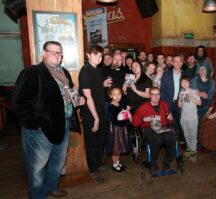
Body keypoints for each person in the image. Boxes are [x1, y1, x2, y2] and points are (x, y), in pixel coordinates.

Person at [12, 41, 85, 199]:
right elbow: (18, 101)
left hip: (63, 123)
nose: (57, 55)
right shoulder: (33, 72)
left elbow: (70, 93)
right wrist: (33, 124)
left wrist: (79, 99)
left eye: (59, 53)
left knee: (58, 161)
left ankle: (51, 186)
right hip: (40, 129)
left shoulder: (63, 72)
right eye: (53, 52)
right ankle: (37, 195)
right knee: (37, 167)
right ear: (43, 54)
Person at [79, 44, 107, 183]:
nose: (98, 57)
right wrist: (95, 119)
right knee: (92, 143)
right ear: (88, 54)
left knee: (101, 140)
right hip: (91, 114)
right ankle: (93, 170)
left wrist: (103, 85)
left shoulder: (97, 70)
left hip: (101, 111)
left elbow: (96, 89)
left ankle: (97, 162)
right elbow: (88, 97)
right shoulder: (85, 71)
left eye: (100, 55)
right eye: (95, 54)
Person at [132, 87, 177, 171]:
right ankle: (153, 162)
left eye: (157, 94)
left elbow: (170, 121)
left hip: (162, 128)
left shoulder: (164, 104)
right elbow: (134, 122)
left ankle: (167, 161)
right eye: (153, 95)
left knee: (172, 137)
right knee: (157, 138)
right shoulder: (143, 107)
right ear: (150, 96)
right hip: (148, 128)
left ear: (160, 95)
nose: (156, 97)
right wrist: (143, 119)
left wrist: (170, 118)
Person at [160, 55, 186, 144]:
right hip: (168, 102)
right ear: (172, 63)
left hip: (180, 103)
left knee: (181, 122)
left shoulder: (185, 74)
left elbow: (187, 89)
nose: (178, 63)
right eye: (175, 61)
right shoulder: (166, 74)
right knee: (170, 122)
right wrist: (163, 103)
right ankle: (172, 141)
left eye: (180, 61)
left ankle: (182, 140)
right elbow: (162, 90)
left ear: (182, 63)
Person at [191, 65, 216, 149]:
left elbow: (212, 94)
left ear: (207, 71)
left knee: (205, 125)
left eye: (204, 69)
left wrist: (207, 96)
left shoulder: (212, 81)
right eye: (200, 69)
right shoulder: (195, 79)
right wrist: (201, 94)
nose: (202, 71)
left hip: (206, 106)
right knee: (196, 126)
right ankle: (197, 144)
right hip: (195, 106)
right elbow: (193, 91)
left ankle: (204, 143)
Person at [106, 87, 131, 172]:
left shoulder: (119, 104)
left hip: (120, 129)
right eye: (114, 94)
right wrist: (126, 120)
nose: (117, 96)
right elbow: (115, 121)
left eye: (119, 94)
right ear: (110, 96)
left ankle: (118, 162)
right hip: (114, 130)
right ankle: (114, 164)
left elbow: (122, 115)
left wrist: (126, 116)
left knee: (119, 147)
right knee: (115, 148)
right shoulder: (111, 106)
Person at [178, 76, 201, 162]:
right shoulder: (181, 92)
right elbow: (179, 106)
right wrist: (180, 98)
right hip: (183, 118)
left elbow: (199, 103)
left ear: (189, 83)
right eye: (182, 82)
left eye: (186, 82)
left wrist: (191, 97)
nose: (184, 84)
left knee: (193, 137)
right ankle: (189, 150)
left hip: (192, 119)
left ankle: (193, 153)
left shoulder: (194, 91)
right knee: (186, 136)